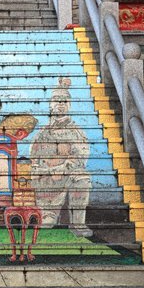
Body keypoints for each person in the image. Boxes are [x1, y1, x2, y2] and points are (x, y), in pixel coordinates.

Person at [30, 77, 92, 237]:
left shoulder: (76, 132)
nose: (60, 104)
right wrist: (45, 171)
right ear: (51, 104)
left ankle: (78, 223)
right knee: (46, 224)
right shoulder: (42, 133)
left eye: (64, 101)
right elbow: (34, 159)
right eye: (57, 101)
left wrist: (61, 169)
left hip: (66, 176)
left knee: (82, 177)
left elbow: (80, 159)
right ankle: (48, 213)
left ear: (69, 105)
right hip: (47, 181)